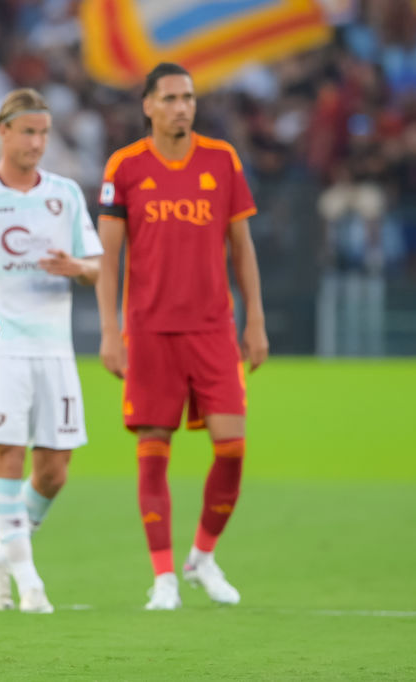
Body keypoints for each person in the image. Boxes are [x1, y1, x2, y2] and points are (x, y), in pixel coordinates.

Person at [95, 62, 268, 611]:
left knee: (234, 448)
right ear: (148, 105)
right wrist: (110, 332)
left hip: (214, 328)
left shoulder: (222, 160)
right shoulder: (124, 166)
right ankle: (164, 576)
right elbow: (108, 260)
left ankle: (203, 556)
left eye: (188, 97)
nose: (182, 106)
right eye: (170, 98)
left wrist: (255, 320)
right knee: (153, 456)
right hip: (149, 331)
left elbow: (242, 246)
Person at [0, 88, 101, 614]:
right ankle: (29, 582)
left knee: (54, 470)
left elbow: (98, 264)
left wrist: (77, 269)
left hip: (56, 351)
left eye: (44, 134)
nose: (37, 142)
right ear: (4, 132)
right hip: (0, 346)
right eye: (28, 132)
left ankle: (0, 557)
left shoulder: (65, 194)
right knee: (7, 456)